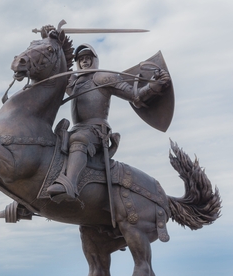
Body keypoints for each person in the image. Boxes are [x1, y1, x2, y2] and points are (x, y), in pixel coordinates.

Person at [45, 43, 171, 200]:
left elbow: (136, 96)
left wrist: (153, 86)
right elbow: (58, 66)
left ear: (95, 60)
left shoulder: (104, 78)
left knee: (79, 139)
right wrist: (51, 40)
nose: (84, 61)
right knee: (48, 143)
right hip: (76, 129)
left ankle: (69, 184)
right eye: (81, 59)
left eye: (87, 58)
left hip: (96, 131)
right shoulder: (74, 83)